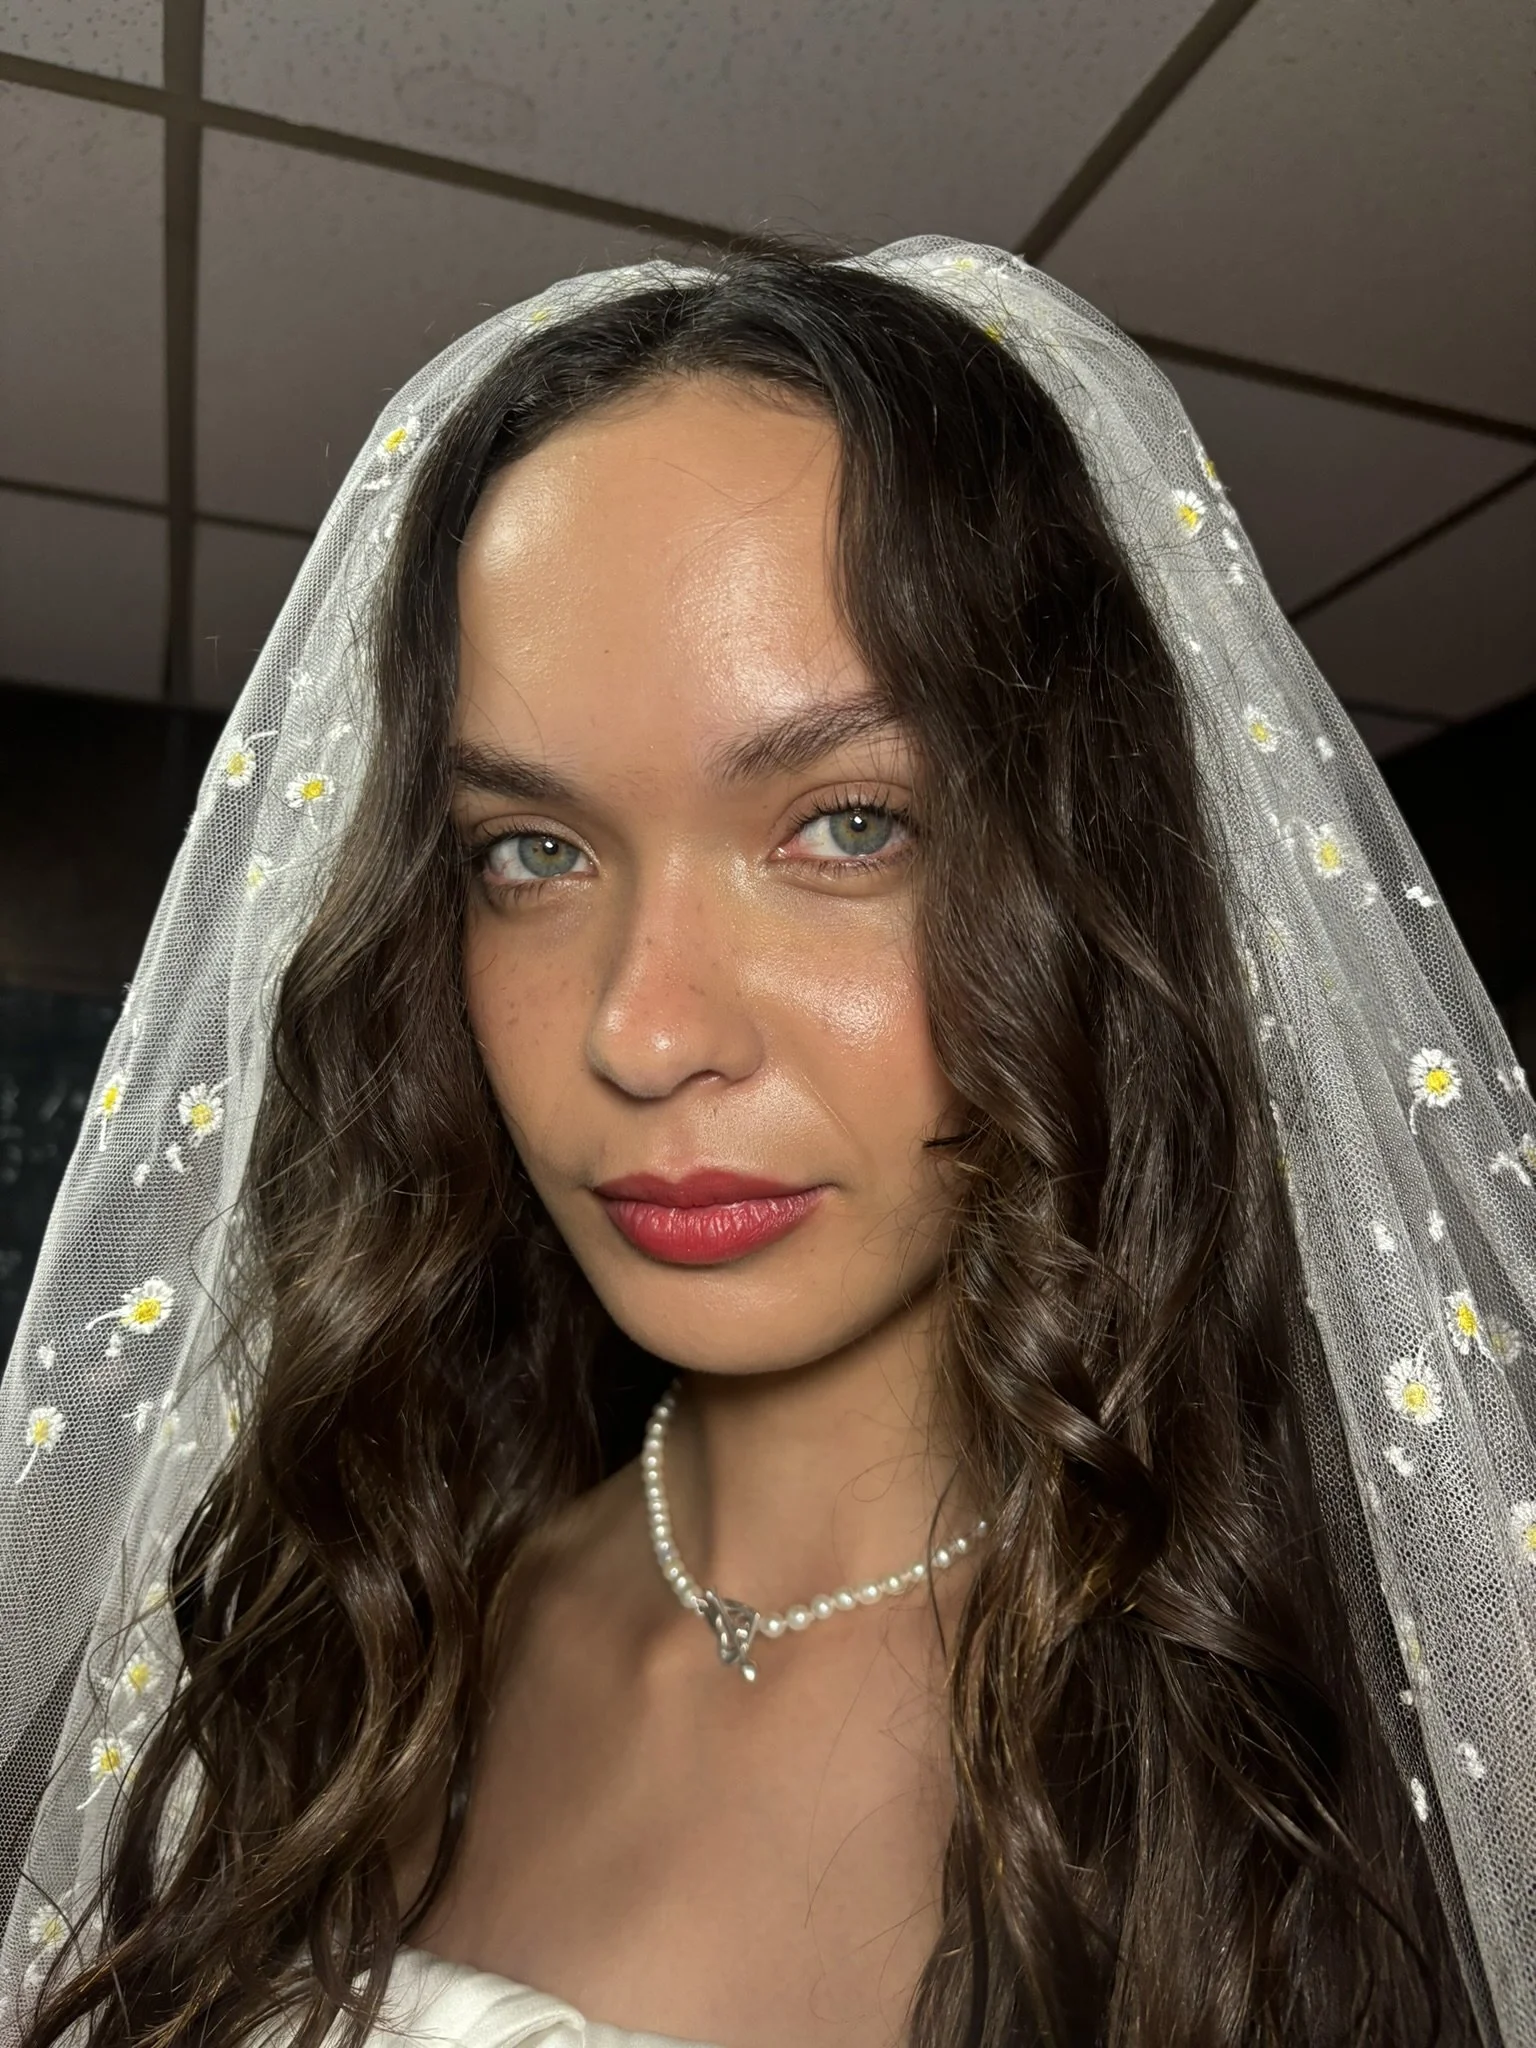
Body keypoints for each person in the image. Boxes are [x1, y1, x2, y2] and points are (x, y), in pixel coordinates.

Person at [0, 236, 1531, 2048]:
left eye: (846, 826)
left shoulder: (1338, 1744)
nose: (641, 1032)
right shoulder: (337, 1631)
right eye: (530, 852)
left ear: (1084, 873)